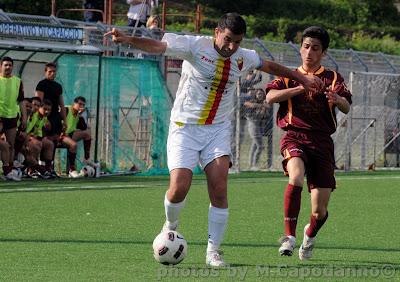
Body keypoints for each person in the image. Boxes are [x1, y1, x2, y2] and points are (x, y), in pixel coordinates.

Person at [104, 13, 322, 267]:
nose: (231, 47)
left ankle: (213, 251)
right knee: (179, 187)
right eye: (228, 39)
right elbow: (158, 46)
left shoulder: (243, 57)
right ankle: (170, 225)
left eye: (237, 42)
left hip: (217, 129)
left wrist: (304, 78)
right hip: (185, 127)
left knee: (219, 188)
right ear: (217, 32)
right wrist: (127, 39)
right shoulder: (194, 46)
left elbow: (271, 66)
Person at [265, 26, 352, 260]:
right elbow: (270, 97)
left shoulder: (332, 77)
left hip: (322, 142)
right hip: (294, 136)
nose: (309, 52)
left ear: (323, 52)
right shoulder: (288, 75)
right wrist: (300, 86)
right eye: (305, 46)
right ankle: (289, 237)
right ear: (300, 48)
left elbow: (346, 105)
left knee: (319, 210)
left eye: (315, 48)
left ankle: (309, 236)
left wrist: (337, 98)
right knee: (295, 176)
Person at [35, 62, 67, 176]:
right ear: (45, 72)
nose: (52, 74)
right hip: (45, 117)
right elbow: (38, 103)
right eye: (50, 72)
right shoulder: (41, 84)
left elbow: (61, 105)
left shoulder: (58, 86)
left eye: (54, 72)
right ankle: (38, 167)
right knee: (43, 141)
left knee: (53, 141)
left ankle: (49, 167)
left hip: (55, 118)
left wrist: (64, 121)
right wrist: (44, 119)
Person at [0, 56, 27, 181]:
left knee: (10, 145)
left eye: (10, 65)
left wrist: (24, 118)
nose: (8, 67)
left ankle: (9, 171)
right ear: (1, 66)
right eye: (5, 65)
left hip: (11, 117)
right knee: (4, 145)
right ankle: (6, 169)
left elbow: (21, 101)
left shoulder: (18, 81)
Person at [243, 88, 270, 169]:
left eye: (261, 94)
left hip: (260, 126)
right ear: (255, 95)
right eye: (258, 94)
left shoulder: (264, 103)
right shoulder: (252, 101)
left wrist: (264, 107)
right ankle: (254, 165)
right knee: (260, 146)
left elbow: (264, 115)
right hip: (253, 125)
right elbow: (246, 104)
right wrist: (261, 106)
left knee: (255, 145)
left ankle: (251, 164)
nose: (260, 95)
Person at [64, 96, 93, 167]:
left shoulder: (78, 114)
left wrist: (80, 116)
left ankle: (87, 158)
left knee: (87, 133)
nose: (81, 106)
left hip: (70, 135)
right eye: (80, 104)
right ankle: (72, 168)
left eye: (83, 105)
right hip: (61, 135)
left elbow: (83, 128)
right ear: (74, 103)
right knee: (74, 145)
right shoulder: (66, 109)